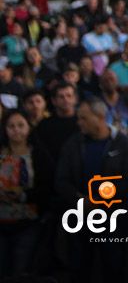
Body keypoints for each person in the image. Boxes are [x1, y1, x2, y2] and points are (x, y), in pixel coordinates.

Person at [54, 99, 128, 280]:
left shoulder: (123, 143)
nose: (79, 123)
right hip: (80, 219)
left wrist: (98, 199)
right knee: (80, 270)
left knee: (113, 269)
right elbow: (61, 180)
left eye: (83, 118)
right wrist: (81, 200)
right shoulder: (73, 144)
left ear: (100, 117)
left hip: (113, 220)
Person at [0, 109, 51, 277]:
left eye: (21, 125)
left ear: (28, 127)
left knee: (21, 271)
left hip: (28, 223)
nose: (16, 130)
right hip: (1, 220)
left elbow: (47, 187)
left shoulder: (38, 154)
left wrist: (23, 195)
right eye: (11, 126)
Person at [99, 69, 128, 136]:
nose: (109, 83)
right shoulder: (97, 102)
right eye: (106, 80)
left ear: (117, 81)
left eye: (112, 79)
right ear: (100, 84)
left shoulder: (127, 101)